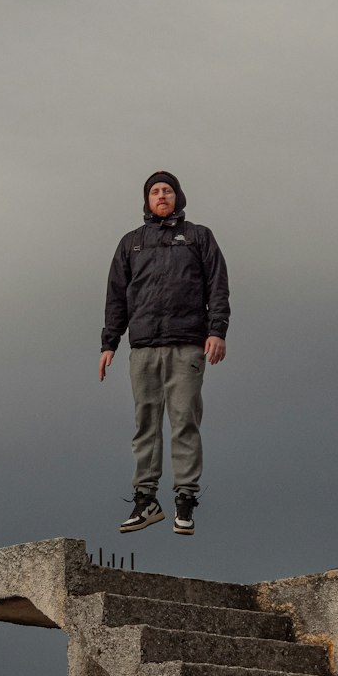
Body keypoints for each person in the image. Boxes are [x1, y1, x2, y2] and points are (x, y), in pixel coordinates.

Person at [100, 170, 230, 536]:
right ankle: (146, 501)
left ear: (178, 197)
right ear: (147, 199)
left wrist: (217, 331)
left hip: (187, 343)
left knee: (184, 421)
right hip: (143, 348)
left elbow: (218, 286)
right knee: (145, 425)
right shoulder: (131, 244)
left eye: (168, 190)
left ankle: (185, 501)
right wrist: (109, 342)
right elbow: (116, 295)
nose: (161, 196)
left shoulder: (198, 237)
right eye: (155, 191)